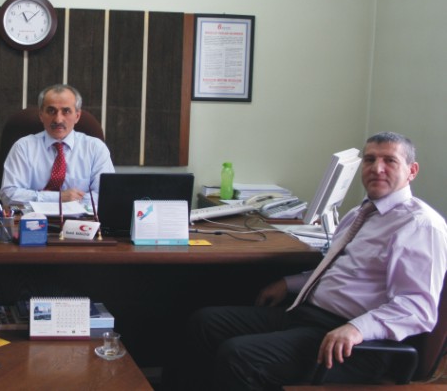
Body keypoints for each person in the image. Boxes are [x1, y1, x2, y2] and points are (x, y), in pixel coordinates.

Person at [175, 131, 447, 390]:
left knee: (239, 355)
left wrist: (356, 329)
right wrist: (289, 283)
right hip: (309, 316)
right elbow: (337, 266)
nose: (377, 168)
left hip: (354, 343)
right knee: (205, 323)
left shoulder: (420, 225)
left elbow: (417, 308)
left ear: (412, 171)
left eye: (390, 160)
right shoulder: (360, 213)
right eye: (370, 159)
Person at [0, 84, 114, 207]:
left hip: (82, 218)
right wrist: (58, 198)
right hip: (33, 217)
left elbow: (107, 195)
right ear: (41, 115)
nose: (58, 120)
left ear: (77, 116)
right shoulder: (23, 147)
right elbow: (8, 195)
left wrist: (69, 202)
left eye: (66, 111)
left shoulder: (95, 148)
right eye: (51, 111)